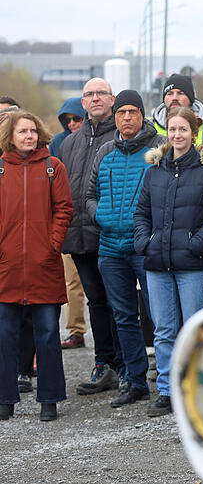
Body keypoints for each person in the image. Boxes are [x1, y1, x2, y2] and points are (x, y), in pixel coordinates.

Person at [134, 107, 203, 417]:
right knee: (163, 330)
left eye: (183, 129)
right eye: (172, 129)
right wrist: (145, 242)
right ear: (166, 132)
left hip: (193, 265)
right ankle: (166, 390)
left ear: (194, 132)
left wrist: (196, 244)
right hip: (158, 263)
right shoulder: (155, 170)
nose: (177, 135)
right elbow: (141, 212)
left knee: (196, 328)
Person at [86, 90, 165, 410]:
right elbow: (89, 195)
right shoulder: (105, 151)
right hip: (110, 249)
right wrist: (100, 215)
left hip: (144, 248)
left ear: (142, 115)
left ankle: (167, 381)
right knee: (123, 317)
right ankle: (134, 381)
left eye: (133, 112)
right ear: (114, 116)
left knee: (159, 316)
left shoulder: (157, 149)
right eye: (121, 113)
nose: (127, 118)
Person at [0, 112, 73, 422]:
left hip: (44, 266)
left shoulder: (53, 167)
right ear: (11, 136)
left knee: (46, 335)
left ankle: (50, 399)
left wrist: (51, 245)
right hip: (7, 268)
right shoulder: (1, 168)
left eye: (32, 130)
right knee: (5, 336)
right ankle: (5, 400)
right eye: (22, 131)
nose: (28, 136)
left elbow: (64, 209)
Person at [59, 78, 121, 395]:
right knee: (96, 302)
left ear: (111, 99)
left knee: (119, 303)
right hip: (80, 238)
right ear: (82, 102)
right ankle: (104, 363)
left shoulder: (123, 135)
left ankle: (126, 365)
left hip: (112, 237)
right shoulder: (70, 143)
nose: (95, 98)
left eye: (101, 93)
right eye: (89, 94)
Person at [49, 96, 88, 350]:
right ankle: (76, 330)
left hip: (91, 221)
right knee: (71, 280)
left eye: (77, 118)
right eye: (68, 120)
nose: (72, 123)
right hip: (66, 222)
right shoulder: (58, 144)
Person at [151, 73, 203, 144]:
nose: (174, 98)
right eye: (170, 93)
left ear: (191, 99)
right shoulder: (149, 127)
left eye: (180, 93)